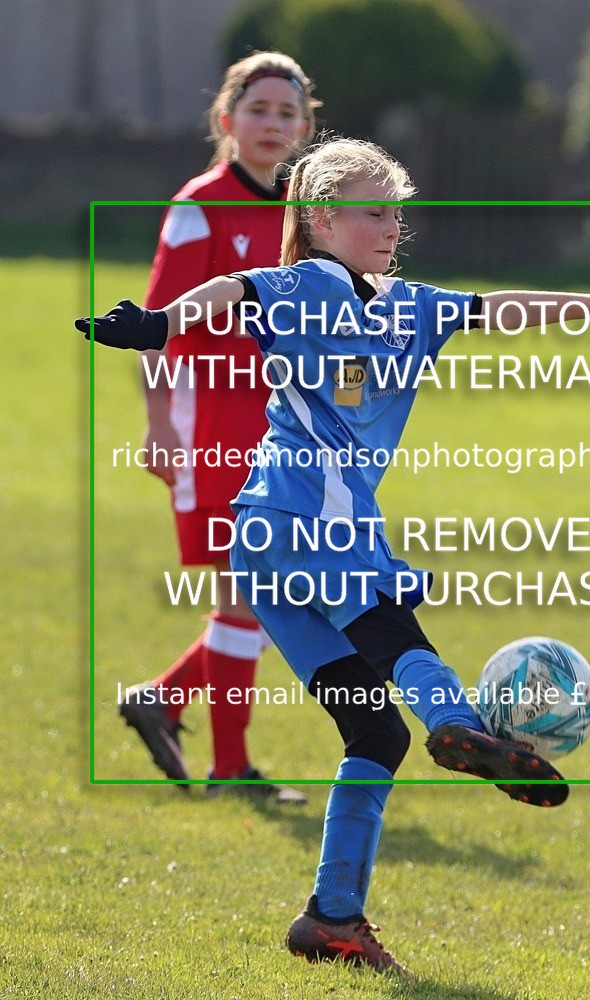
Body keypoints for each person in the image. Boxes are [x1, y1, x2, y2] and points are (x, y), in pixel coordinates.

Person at [77, 138, 590, 973]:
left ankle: (332, 920)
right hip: (309, 519)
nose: (391, 225)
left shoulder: (407, 301)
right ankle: (463, 729)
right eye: (372, 211)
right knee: (395, 635)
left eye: (397, 210)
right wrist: (158, 324)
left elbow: (499, 308)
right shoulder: (309, 282)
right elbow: (236, 289)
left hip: (268, 545)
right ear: (320, 217)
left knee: (371, 733)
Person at [118, 51, 321, 802]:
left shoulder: (304, 211)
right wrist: (157, 427)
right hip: (210, 425)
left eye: (286, 113)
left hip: (283, 430)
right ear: (225, 117)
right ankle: (230, 768)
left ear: (305, 126)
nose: (272, 124)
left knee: (270, 593)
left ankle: (164, 701)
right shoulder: (198, 204)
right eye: (258, 109)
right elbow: (154, 327)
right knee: (251, 593)